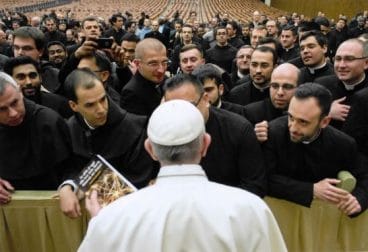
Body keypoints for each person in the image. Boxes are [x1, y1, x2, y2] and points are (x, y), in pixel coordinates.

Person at [78, 99, 287, 252]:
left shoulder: (114, 217)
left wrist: (103, 225)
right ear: (205, 145)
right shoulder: (250, 208)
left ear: (150, 150)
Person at [59, 68, 156, 218]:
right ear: (73, 106)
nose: (101, 109)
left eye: (103, 99)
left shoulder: (134, 127)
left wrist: (87, 184)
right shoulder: (68, 129)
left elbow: (140, 179)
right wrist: (67, 186)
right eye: (90, 105)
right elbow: (69, 167)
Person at [263, 83, 368, 216]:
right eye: (291, 117)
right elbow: (263, 178)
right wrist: (311, 190)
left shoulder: (343, 144)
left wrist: (358, 199)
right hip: (280, 216)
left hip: (321, 221)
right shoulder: (271, 133)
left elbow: (365, 175)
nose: (293, 128)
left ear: (324, 122)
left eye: (303, 122)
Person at [163, 74, 266, 197]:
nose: (181, 115)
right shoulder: (163, 130)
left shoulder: (238, 129)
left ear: (206, 99)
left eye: (189, 107)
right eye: (173, 109)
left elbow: (255, 186)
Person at [0, 72, 72, 204]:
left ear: (20, 92)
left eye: (15, 103)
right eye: (2, 109)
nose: (13, 113)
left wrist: (68, 186)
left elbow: (72, 167)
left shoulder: (49, 122)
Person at [315, 38, 368, 129]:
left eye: (349, 59)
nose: (341, 65)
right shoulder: (322, 85)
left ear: (366, 63)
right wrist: (326, 112)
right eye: (338, 59)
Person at [244, 63, 300, 142]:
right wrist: (254, 139)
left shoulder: (307, 114)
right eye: (275, 86)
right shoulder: (251, 113)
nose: (280, 93)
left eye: (287, 87)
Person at [3, 56, 73, 118]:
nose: (29, 82)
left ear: (40, 78)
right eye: (21, 77)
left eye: (32, 76)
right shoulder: (4, 110)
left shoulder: (60, 104)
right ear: (10, 81)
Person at [120, 38, 168, 116]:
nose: (161, 70)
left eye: (164, 62)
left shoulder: (165, 80)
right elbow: (138, 127)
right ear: (137, 64)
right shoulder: (131, 93)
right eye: (153, 64)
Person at [13, 26, 61, 93]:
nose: (19, 53)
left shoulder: (56, 76)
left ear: (40, 51)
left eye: (27, 48)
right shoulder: (5, 76)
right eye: (16, 48)